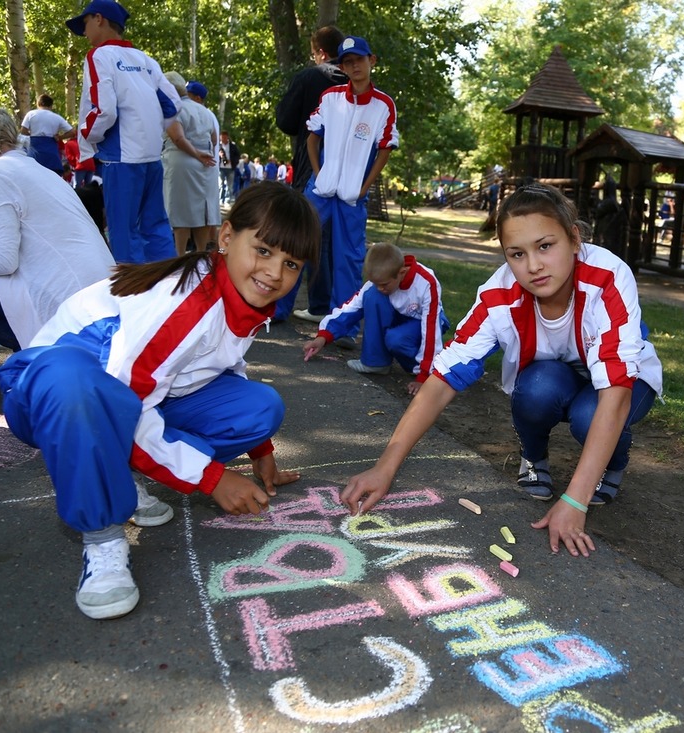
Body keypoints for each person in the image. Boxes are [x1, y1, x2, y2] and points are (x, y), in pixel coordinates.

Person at [0, 182, 319, 620]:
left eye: (291, 263)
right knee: (74, 381)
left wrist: (261, 451)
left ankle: (121, 474)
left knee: (260, 409)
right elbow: (127, 399)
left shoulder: (240, 296)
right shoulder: (184, 302)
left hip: (125, 399)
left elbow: (221, 366)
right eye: (263, 250)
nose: (275, 273)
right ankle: (103, 536)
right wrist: (212, 478)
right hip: (46, 395)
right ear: (226, 237)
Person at [340, 183, 662, 558]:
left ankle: (612, 464)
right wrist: (385, 466)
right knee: (537, 386)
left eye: (546, 246)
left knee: (590, 416)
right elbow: (443, 379)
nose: (534, 265)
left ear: (574, 239)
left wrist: (575, 502)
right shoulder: (500, 294)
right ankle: (534, 458)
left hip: (621, 386)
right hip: (557, 380)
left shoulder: (607, 277)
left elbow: (617, 393)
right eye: (517, 254)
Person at [0, 100, 114, 350]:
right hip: (96, 304)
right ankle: (32, 353)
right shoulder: (38, 169)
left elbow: (3, 261)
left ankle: (35, 350)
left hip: (66, 309)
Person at [67, 0, 180, 264]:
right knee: (156, 226)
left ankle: (130, 298)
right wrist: (150, 130)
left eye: (84, 24)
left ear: (98, 19)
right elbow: (173, 104)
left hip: (120, 159)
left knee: (123, 233)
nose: (84, 33)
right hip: (151, 157)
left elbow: (104, 109)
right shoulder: (146, 60)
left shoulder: (98, 56)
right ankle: (169, 291)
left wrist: (88, 136)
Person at [298, 36, 399, 331]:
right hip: (321, 190)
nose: (354, 66)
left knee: (348, 260)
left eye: (359, 59)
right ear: (342, 66)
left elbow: (385, 149)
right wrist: (318, 173)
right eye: (347, 62)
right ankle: (275, 309)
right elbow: (312, 138)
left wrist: (365, 187)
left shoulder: (383, 105)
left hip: (352, 196)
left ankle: (342, 327)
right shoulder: (330, 97)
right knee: (296, 242)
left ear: (372, 60)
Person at [303, 242, 449, 396]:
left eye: (384, 284)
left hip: (423, 323)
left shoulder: (426, 282)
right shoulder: (378, 283)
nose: (380, 288)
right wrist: (323, 337)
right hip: (398, 320)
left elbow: (431, 330)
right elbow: (351, 308)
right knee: (372, 296)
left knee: (396, 339)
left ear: (402, 272)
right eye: (376, 283)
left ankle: (420, 368)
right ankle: (376, 362)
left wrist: (424, 376)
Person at [275, 26, 347, 196]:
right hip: (349, 166)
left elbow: (286, 121)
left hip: (311, 165)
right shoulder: (356, 80)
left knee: (308, 218)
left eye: (313, 54)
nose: (314, 59)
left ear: (322, 53)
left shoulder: (307, 78)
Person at [161, 72, 218, 255]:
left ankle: (180, 255)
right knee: (202, 213)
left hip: (182, 162)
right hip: (206, 164)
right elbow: (214, 139)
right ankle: (200, 253)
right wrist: (203, 154)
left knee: (181, 214)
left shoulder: (174, 109)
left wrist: (195, 153)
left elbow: (178, 138)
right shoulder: (204, 110)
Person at [19, 94, 74, 175]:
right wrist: (60, 137)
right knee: (53, 177)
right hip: (51, 151)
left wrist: (31, 134)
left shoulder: (31, 114)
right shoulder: (57, 117)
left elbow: (23, 131)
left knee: (34, 175)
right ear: (51, 105)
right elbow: (72, 132)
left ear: (38, 104)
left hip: (35, 151)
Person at [217, 131, 239, 203]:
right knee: (220, 184)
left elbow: (237, 156)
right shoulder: (218, 146)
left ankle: (227, 200)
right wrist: (218, 155)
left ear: (227, 137)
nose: (223, 139)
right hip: (220, 168)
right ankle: (220, 200)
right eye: (222, 137)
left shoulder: (233, 146)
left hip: (230, 168)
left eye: (224, 137)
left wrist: (232, 161)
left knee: (230, 185)